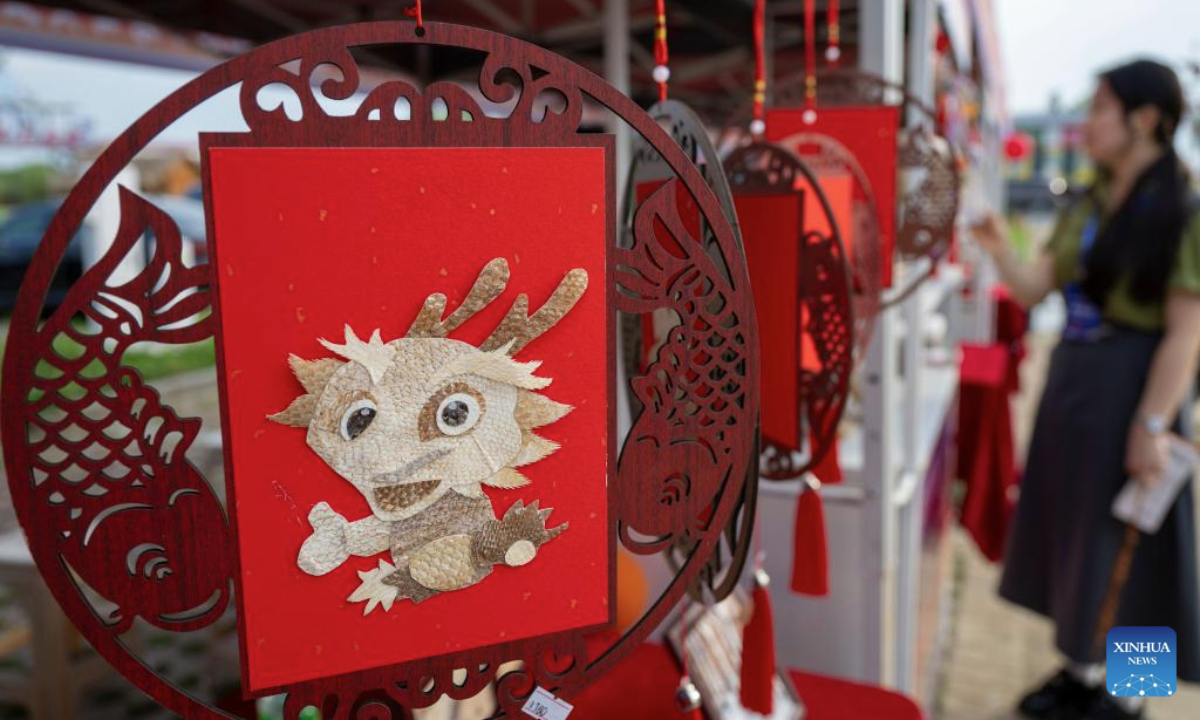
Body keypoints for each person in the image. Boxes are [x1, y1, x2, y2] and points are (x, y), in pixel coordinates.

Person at [972, 59, 1200, 720]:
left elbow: (1187, 334)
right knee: (1077, 537)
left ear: (1146, 118)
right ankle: (1081, 670)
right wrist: (995, 246)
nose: (1087, 122)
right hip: (1076, 381)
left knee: (1136, 549)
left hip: (1137, 388)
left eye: (1100, 107)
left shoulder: (1183, 209)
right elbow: (1035, 289)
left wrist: (1152, 425)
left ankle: (1131, 698)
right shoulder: (1091, 199)